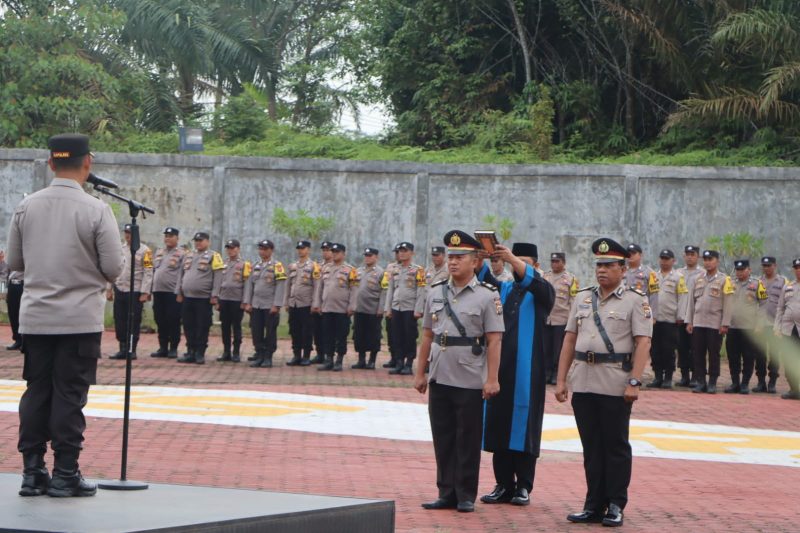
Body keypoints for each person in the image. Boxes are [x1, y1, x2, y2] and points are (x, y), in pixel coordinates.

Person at [7, 133, 123, 497]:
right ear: (88, 162)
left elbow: (15, 262)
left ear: (50, 163)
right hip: (79, 319)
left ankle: (32, 472)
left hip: (36, 318)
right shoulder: (96, 210)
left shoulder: (26, 206)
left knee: (37, 391)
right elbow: (114, 268)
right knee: (69, 393)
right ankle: (65, 473)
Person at [555, 237, 652, 527]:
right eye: (599, 265)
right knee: (591, 446)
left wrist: (634, 381)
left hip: (614, 382)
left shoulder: (635, 300)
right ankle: (593, 504)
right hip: (584, 380)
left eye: (609, 265)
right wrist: (561, 380)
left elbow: (643, 342)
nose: (602, 270)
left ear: (623, 269)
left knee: (615, 446)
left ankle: (615, 503)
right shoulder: (583, 297)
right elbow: (569, 339)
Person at [415, 230, 504, 513]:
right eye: (450, 257)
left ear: (475, 261)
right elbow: (427, 335)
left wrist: (492, 378)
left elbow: (494, 340)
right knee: (442, 436)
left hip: (469, 375)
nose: (452, 262)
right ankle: (446, 492)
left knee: (467, 437)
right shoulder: (435, 291)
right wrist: (420, 372)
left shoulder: (487, 295)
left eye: (459, 257)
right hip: (440, 371)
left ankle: (465, 493)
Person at [477, 243, 554, 507]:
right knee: (498, 422)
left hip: (528, 371)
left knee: (525, 426)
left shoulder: (542, 290)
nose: (514, 265)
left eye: (523, 262)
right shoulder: (505, 289)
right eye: (512, 260)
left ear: (536, 266)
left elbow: (533, 281)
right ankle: (503, 484)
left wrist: (511, 258)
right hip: (500, 368)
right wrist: (480, 255)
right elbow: (483, 277)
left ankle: (523, 486)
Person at [684, 250, 734, 394]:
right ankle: (701, 382)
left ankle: (712, 382)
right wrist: (689, 321)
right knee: (698, 353)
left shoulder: (724, 280)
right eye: (705, 259)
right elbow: (691, 302)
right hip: (698, 322)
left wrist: (725, 323)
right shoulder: (698, 279)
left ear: (717, 261)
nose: (707, 262)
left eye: (710, 259)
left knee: (714, 354)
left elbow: (728, 303)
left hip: (714, 323)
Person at [175, 231, 224, 365]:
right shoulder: (188, 255)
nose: (198, 243)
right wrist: (178, 292)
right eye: (196, 241)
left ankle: (200, 353)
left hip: (203, 298)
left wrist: (215, 295)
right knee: (188, 325)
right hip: (187, 297)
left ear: (207, 242)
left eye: (201, 240)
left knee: (202, 326)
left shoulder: (214, 256)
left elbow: (218, 277)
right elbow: (181, 274)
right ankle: (190, 351)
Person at [107, 224, 153, 360]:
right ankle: (122, 348)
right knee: (119, 320)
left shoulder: (145, 251)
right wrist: (109, 289)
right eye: (126, 232)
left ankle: (131, 349)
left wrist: (145, 292)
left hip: (135, 291)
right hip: (120, 288)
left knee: (133, 321)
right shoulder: (119, 249)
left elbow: (148, 271)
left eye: (130, 233)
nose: (127, 235)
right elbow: (113, 268)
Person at [313, 243, 357, 371]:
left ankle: (339, 360)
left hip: (342, 309)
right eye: (333, 252)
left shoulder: (350, 270)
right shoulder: (325, 268)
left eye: (337, 252)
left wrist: (352, 306)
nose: (334, 254)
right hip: (327, 308)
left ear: (343, 254)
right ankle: (329, 360)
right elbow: (319, 288)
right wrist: (317, 304)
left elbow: (354, 290)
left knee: (341, 336)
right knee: (327, 335)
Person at [647, 249, 687, 389]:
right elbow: (649, 295)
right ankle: (657, 377)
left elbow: (682, 297)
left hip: (670, 319)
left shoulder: (678, 277)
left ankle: (668, 378)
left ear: (673, 261)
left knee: (668, 350)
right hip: (654, 319)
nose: (664, 261)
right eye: (662, 258)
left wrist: (680, 316)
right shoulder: (653, 276)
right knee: (655, 350)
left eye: (667, 259)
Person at [385, 241, 427, 375]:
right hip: (396, 307)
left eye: (405, 251)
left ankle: (408, 363)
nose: (402, 254)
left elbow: (421, 291)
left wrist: (418, 309)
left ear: (412, 253)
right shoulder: (395, 269)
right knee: (396, 335)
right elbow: (390, 290)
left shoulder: (418, 270)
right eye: (400, 251)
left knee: (409, 336)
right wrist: (388, 308)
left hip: (410, 308)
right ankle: (399, 362)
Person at [726, 259, 767, 393]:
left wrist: (760, 324)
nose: (739, 272)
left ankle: (744, 384)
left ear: (749, 270)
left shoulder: (757, 284)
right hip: (732, 326)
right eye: (737, 270)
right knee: (733, 357)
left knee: (748, 357)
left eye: (742, 270)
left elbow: (763, 305)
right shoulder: (730, 283)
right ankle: (735, 383)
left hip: (749, 327)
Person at [244, 239, 287, 367]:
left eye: (265, 249)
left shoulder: (277, 266)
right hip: (256, 304)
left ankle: (268, 356)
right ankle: (259, 354)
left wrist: (277, 304)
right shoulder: (255, 266)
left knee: (270, 332)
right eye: (260, 249)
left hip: (269, 305)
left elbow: (280, 286)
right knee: (256, 331)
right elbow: (249, 285)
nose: (262, 251)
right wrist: (247, 302)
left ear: (271, 250)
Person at [212, 239, 251, 363]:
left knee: (236, 326)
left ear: (238, 249)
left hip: (237, 300)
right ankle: (226, 352)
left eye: (233, 248)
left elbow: (247, 284)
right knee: (225, 327)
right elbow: (218, 282)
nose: (230, 250)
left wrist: (245, 301)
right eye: (228, 248)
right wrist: (216, 299)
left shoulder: (244, 264)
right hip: (224, 299)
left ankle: (236, 352)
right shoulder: (223, 263)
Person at [542, 252, 578, 385]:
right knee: (546, 347)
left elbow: (573, 300)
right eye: (552, 261)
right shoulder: (545, 276)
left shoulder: (571, 279)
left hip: (562, 319)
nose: (554, 264)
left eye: (557, 261)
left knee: (558, 349)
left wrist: (572, 320)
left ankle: (556, 373)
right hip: (547, 318)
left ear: (564, 262)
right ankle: (546, 372)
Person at [149, 227, 185, 358]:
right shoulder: (159, 252)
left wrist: (180, 291)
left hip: (172, 292)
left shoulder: (182, 254)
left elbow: (183, 273)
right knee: (160, 319)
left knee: (173, 320)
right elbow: (152, 270)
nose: (167, 238)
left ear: (177, 238)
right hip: (158, 291)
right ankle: (163, 347)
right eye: (166, 236)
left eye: (170, 236)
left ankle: (173, 348)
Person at [284, 240, 320, 365]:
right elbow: (288, 285)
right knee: (294, 330)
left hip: (306, 304)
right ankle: (296, 355)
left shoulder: (314, 266)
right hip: (293, 303)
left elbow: (317, 287)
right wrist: (286, 302)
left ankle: (306, 356)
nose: (300, 250)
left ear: (308, 250)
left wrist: (315, 304)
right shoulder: (292, 266)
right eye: (299, 248)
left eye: (303, 248)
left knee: (306, 331)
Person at [351, 247, 386, 369]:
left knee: (374, 336)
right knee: (359, 335)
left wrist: (381, 308)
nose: (367, 258)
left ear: (376, 257)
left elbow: (384, 292)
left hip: (373, 309)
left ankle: (372, 361)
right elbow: (354, 289)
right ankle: (361, 360)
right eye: (366, 255)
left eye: (370, 255)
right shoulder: (358, 271)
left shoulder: (381, 272)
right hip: (359, 308)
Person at [756, 256, 786, 393]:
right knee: (760, 354)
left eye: (769, 265)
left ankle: (772, 382)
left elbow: (785, 303)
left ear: (775, 266)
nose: (766, 268)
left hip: (775, 324)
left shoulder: (783, 282)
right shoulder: (758, 281)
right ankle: (761, 382)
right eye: (764, 266)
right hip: (760, 324)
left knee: (774, 354)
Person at [773, 258, 800, 400]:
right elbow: (780, 308)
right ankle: (794, 389)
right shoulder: (788, 287)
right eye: (796, 268)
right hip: (788, 329)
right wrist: (777, 327)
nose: (798, 270)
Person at [676, 245, 702, 387]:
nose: (690, 257)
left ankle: (696, 376)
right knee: (682, 348)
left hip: (696, 317)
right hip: (681, 316)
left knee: (696, 348)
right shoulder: (678, 273)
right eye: (688, 254)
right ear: (684, 256)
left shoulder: (703, 274)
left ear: (698, 257)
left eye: (693, 254)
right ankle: (684, 376)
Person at [310, 241, 333, 364]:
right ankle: (319, 354)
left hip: (330, 304)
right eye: (323, 250)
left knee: (328, 332)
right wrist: (315, 303)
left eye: (327, 250)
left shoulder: (336, 266)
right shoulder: (317, 266)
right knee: (317, 330)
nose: (325, 252)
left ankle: (328, 355)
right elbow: (314, 286)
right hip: (317, 303)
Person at [624, 243, 659, 319]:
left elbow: (654, 295)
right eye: (628, 253)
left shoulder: (650, 273)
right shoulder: (620, 271)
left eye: (633, 253)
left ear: (640, 255)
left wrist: (653, 316)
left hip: (641, 312)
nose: (630, 255)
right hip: (624, 311)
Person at [382, 245, 402, 368]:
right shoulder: (390, 267)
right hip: (391, 303)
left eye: (399, 252)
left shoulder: (413, 269)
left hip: (403, 306)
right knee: (391, 333)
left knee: (402, 334)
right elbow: (385, 285)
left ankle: (401, 359)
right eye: (396, 252)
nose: (398, 255)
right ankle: (393, 357)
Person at [5, 270, 24, 350]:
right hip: (12, 284)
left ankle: (25, 341)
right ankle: (18, 339)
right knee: (12, 312)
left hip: (23, 283)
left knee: (23, 313)